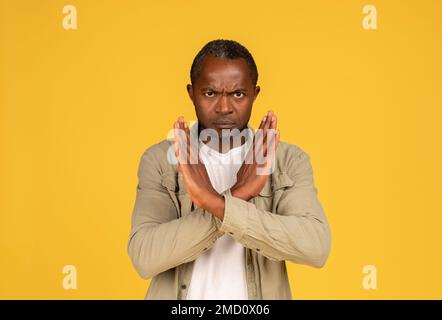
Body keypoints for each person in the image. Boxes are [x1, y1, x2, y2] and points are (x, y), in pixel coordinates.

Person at [127, 39, 331, 299]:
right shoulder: (161, 159)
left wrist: (214, 203)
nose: (224, 108)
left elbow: (315, 247)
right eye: (210, 93)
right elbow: (145, 257)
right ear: (191, 93)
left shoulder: (287, 160)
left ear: (255, 93)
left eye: (238, 94)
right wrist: (240, 194)